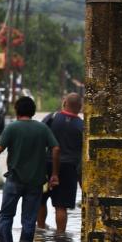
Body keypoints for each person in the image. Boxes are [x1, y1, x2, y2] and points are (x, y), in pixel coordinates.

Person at [0, 95, 59, 242]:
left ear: (17, 110)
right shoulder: (42, 128)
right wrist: (54, 173)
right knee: (29, 219)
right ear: (33, 111)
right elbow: (56, 148)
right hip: (35, 182)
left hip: (14, 179)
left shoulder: (12, 127)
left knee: (6, 215)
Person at [37, 92, 84, 233]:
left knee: (40, 200)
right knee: (61, 206)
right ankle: (60, 235)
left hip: (46, 164)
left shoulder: (52, 118)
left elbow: (39, 137)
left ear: (64, 103)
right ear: (80, 107)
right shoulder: (82, 126)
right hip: (69, 168)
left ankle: (40, 230)